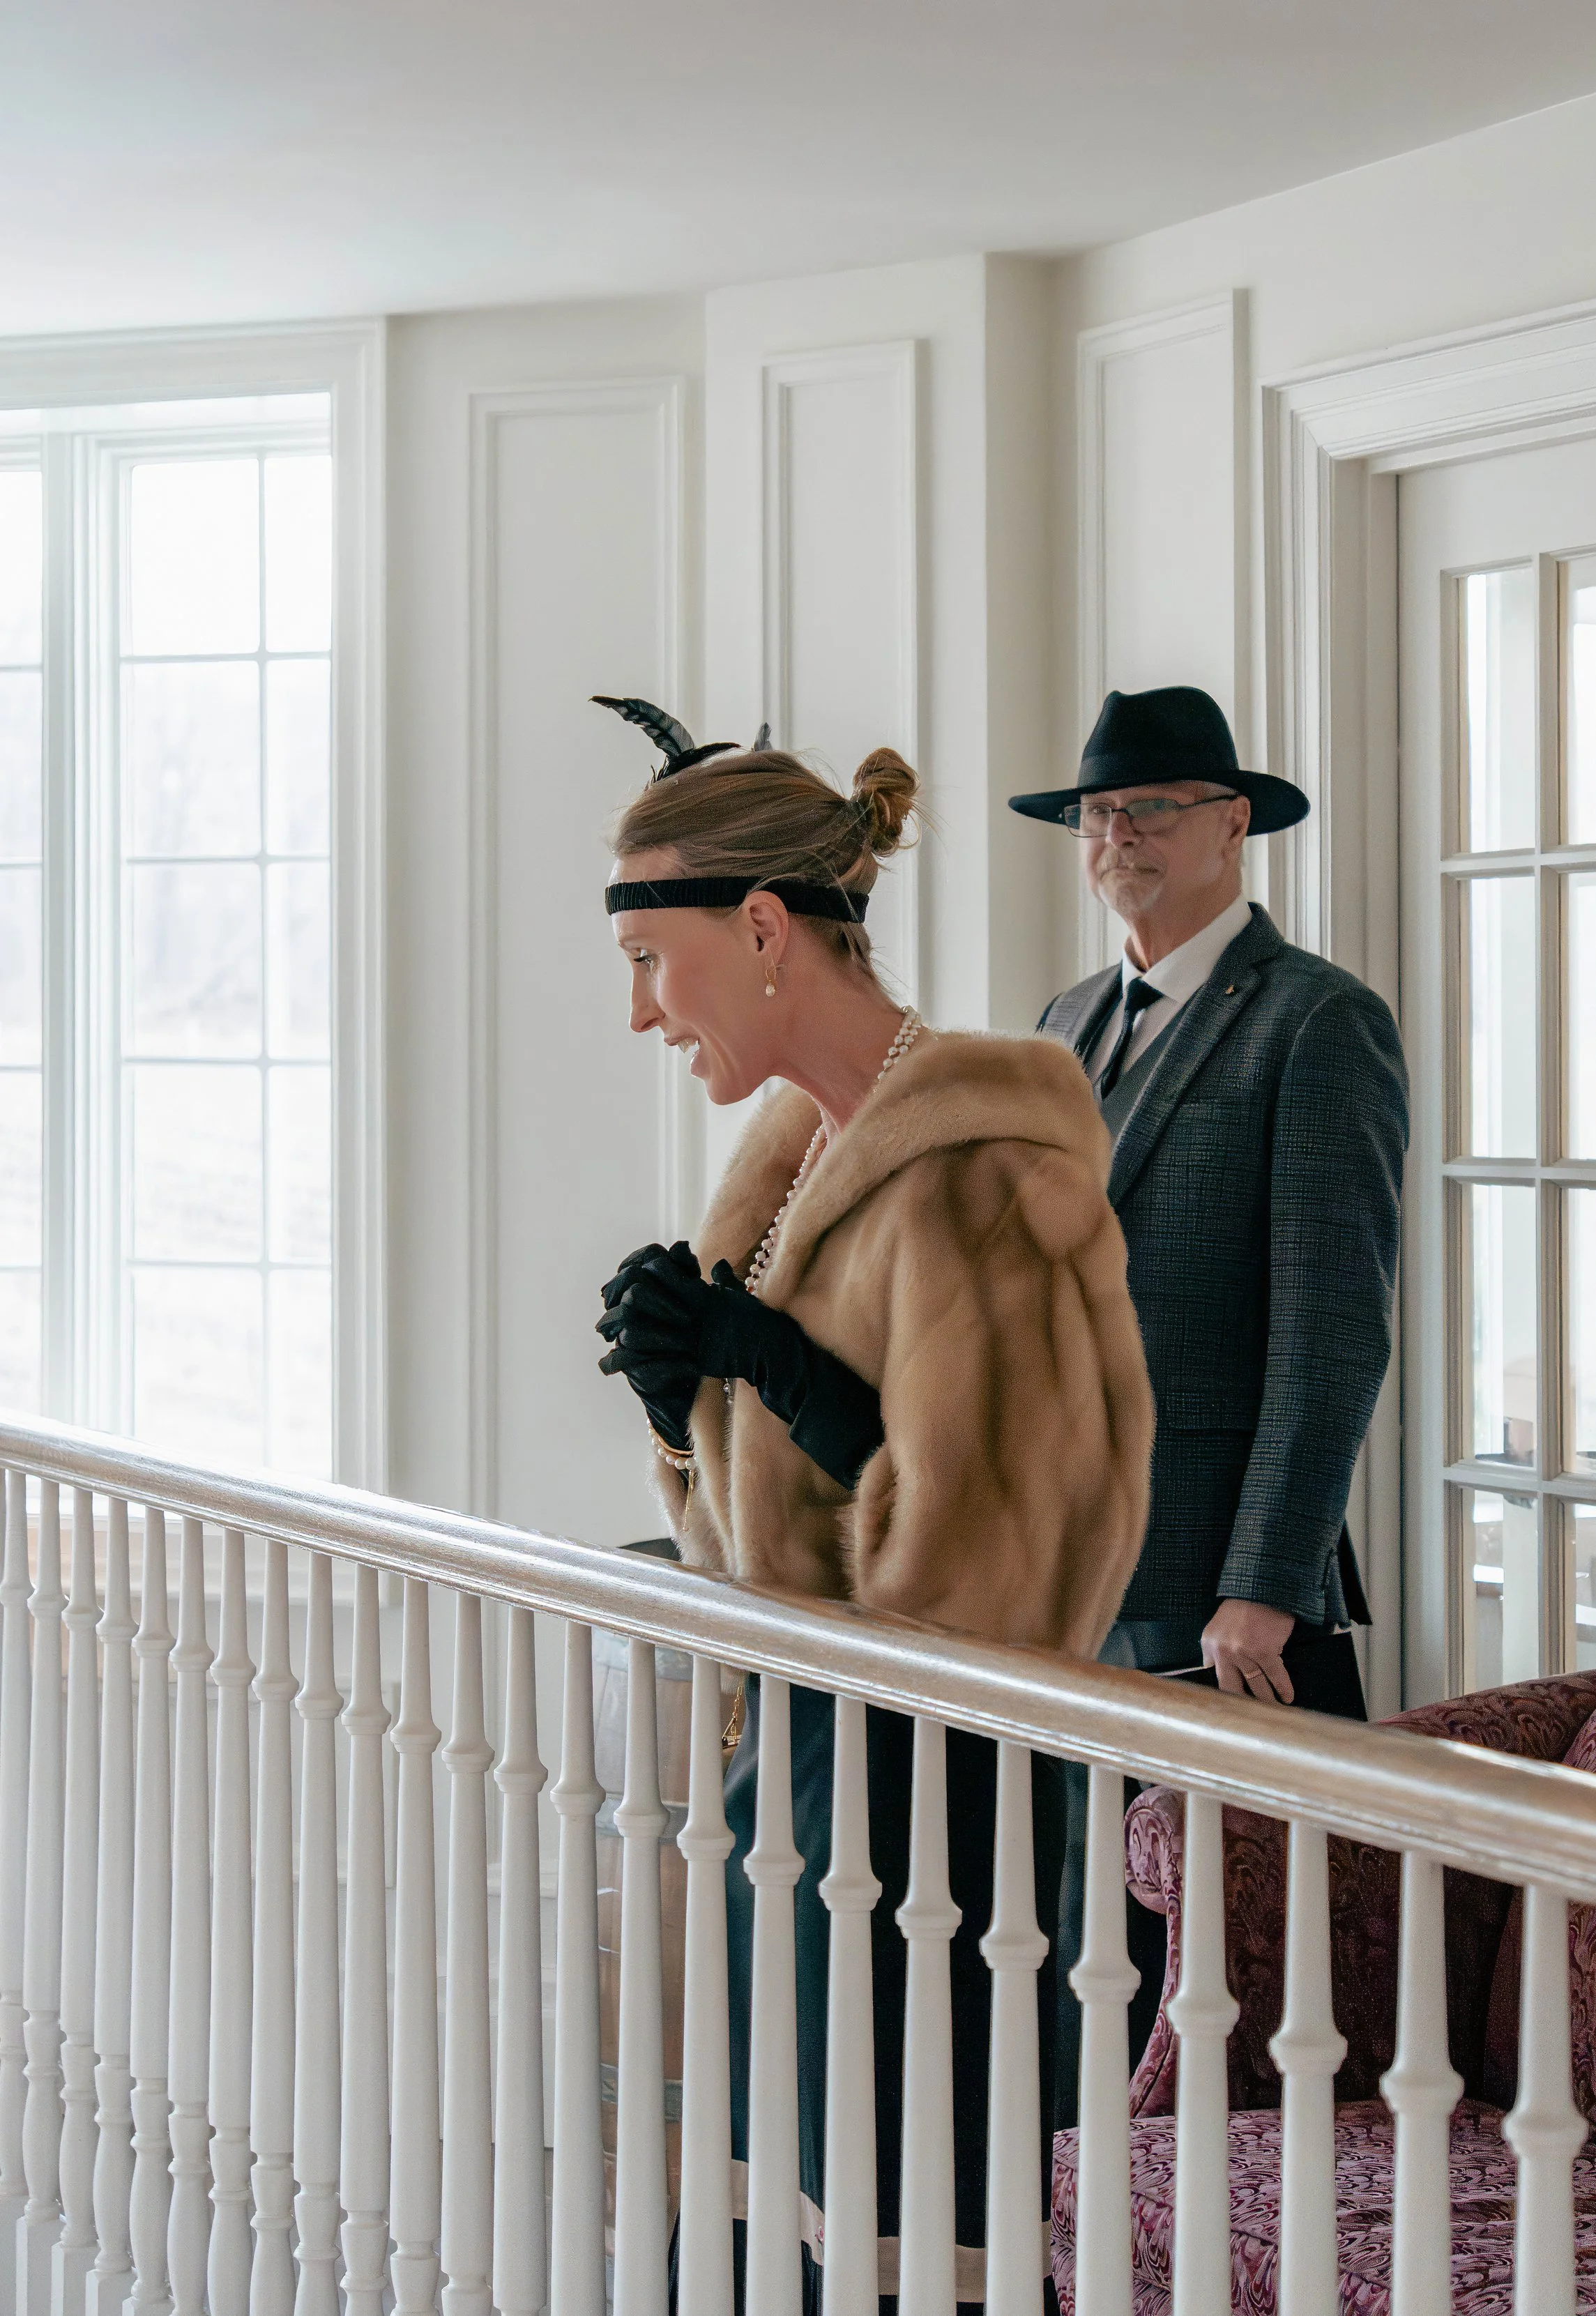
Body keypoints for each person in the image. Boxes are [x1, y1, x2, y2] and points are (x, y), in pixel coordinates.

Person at [591, 699, 1153, 2313]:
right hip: (815, 1796)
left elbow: (1003, 1592)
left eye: (652, 959)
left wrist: (771, 1363)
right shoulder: (792, 1165)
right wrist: (682, 1406)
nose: (639, 1012)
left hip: (942, 1841)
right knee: (784, 2238)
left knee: (912, 2247)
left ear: (763, 928)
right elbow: (771, 1559)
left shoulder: (982, 1173)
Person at [1008, 683, 1408, 2105]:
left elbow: (1332, 1332)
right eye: (1097, 812)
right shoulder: (1061, 1023)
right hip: (1072, 1579)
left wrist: (1265, 1578)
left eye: (1153, 808)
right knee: (1084, 1957)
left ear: (1232, 826)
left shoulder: (1314, 1023)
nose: (1117, 834)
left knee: (1235, 1984)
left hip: (1224, 1601)